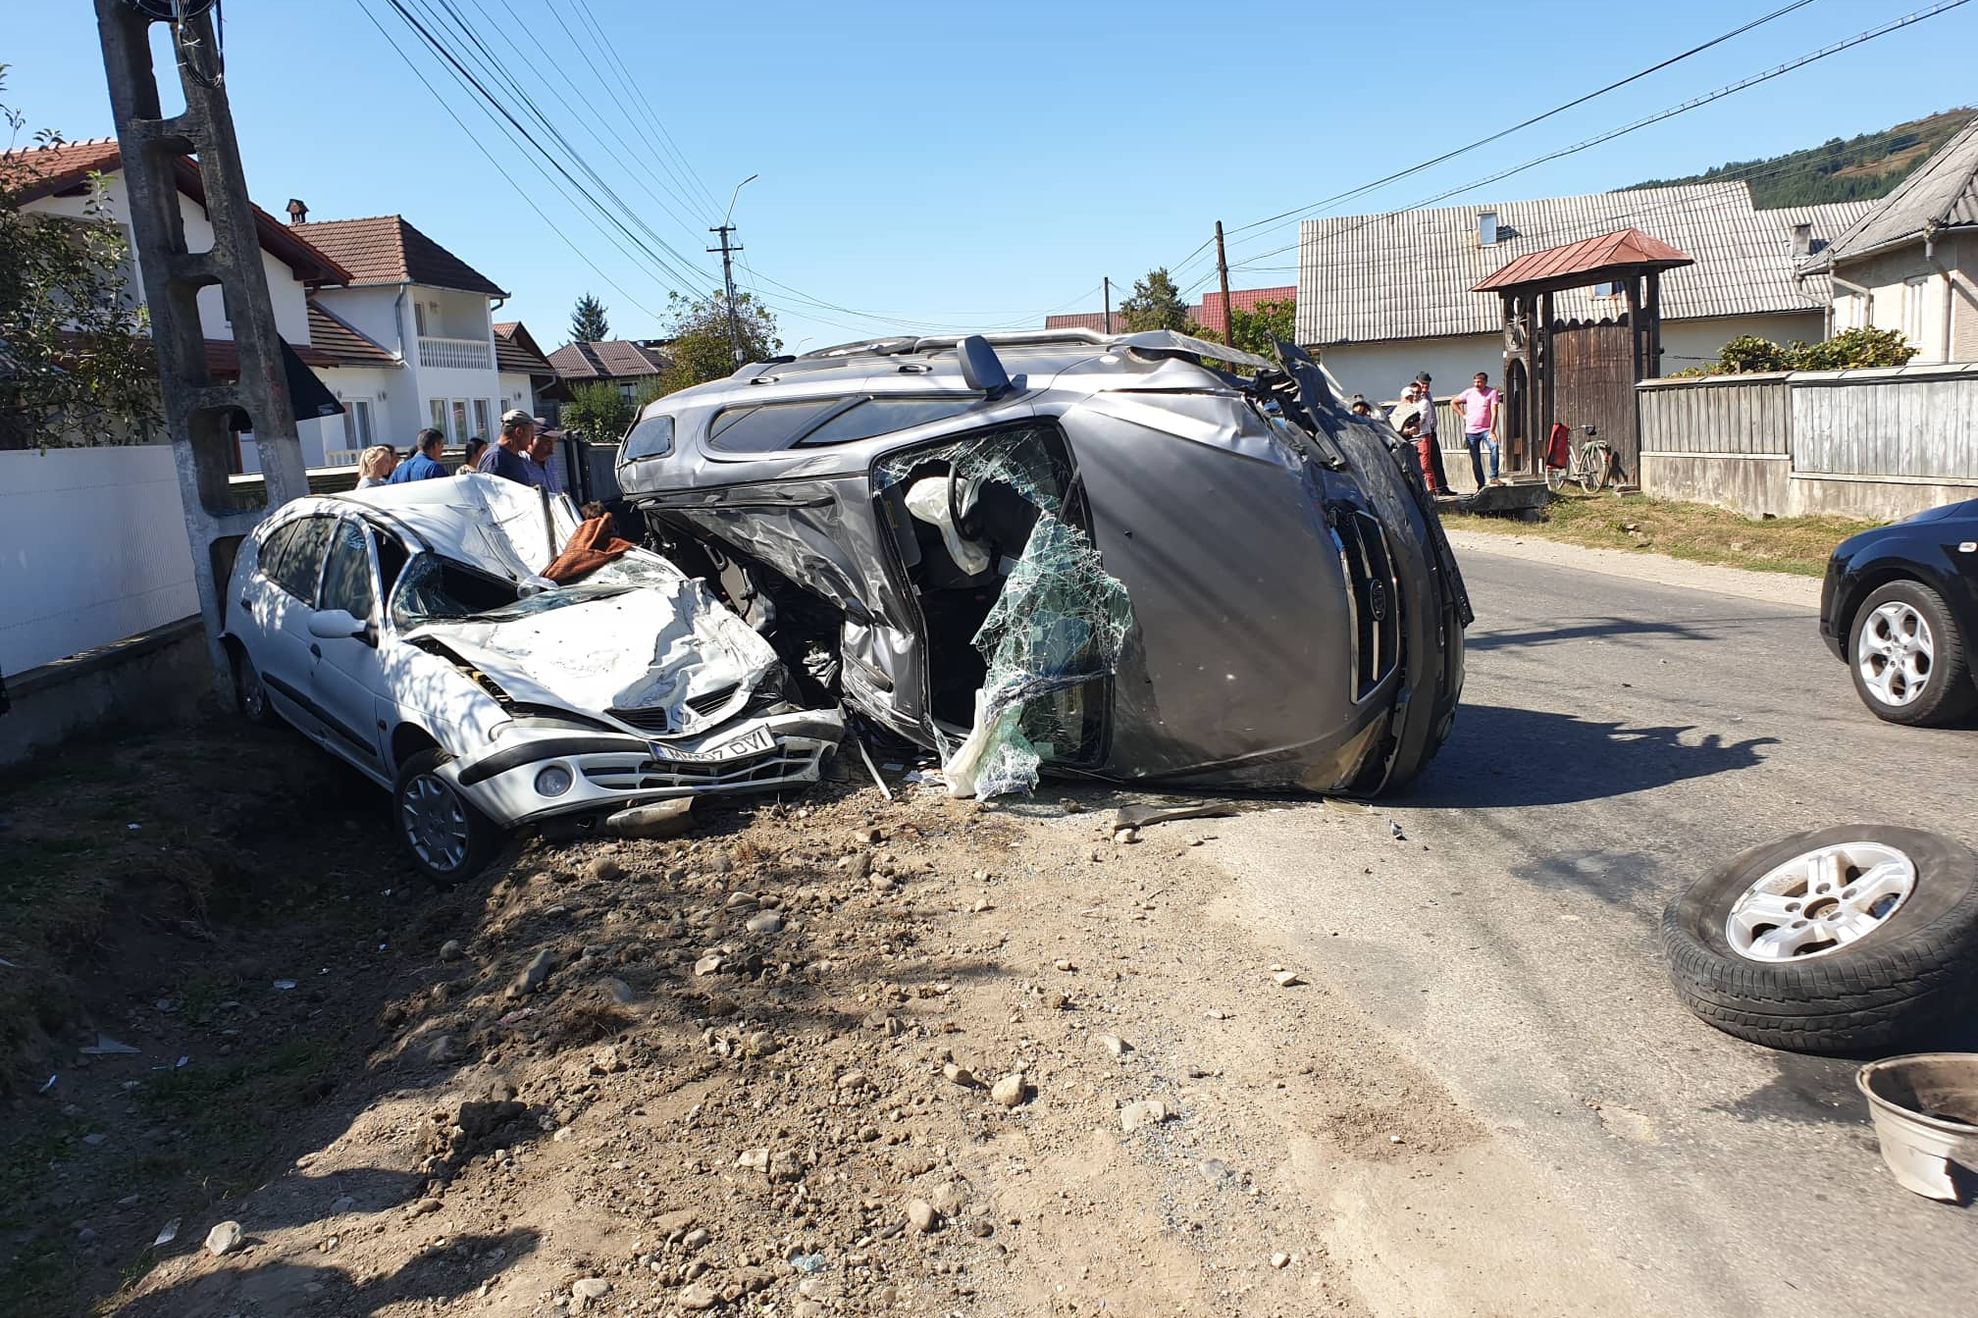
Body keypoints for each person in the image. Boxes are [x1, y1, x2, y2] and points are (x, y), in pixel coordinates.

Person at [1455, 371, 1505, 488]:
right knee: (1475, 459)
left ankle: (1493, 477)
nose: (1477, 384)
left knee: (1494, 446)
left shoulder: (1492, 393)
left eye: (1479, 382)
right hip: (1471, 431)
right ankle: (1480, 484)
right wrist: (1463, 415)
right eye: (1475, 382)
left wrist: (1492, 431)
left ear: (1485, 382)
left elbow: (1494, 412)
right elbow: (1453, 402)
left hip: (1486, 429)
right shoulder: (1469, 392)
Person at [476, 410, 538, 485]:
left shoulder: (516, 457)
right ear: (519, 432)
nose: (532, 440)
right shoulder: (495, 457)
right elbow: (488, 491)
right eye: (531, 434)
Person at [1414, 372, 1448, 494]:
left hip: (1431, 430)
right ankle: (1432, 489)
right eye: (1423, 383)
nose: (1425, 386)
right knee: (1425, 463)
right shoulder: (1416, 396)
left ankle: (1442, 487)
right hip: (1421, 432)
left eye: (1427, 384)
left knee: (1436, 459)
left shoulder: (1428, 395)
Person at [525, 428, 564, 494]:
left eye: (553, 443)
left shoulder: (549, 460)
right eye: (547, 443)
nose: (551, 451)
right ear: (531, 440)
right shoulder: (520, 463)